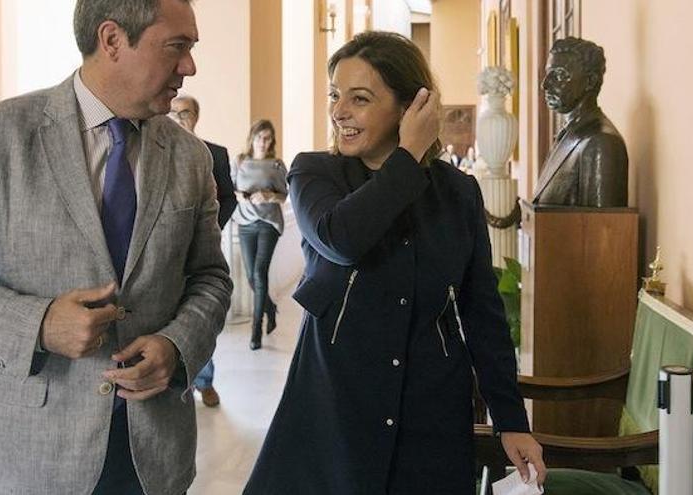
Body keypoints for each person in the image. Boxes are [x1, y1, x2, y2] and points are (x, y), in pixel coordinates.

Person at [0, 0, 232, 493]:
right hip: (20, 456)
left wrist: (178, 346)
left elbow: (210, 277)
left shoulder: (190, 156)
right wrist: (38, 324)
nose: (189, 67)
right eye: (177, 47)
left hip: (150, 457)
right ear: (112, 40)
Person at [244, 31, 545, 494]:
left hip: (431, 411)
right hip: (335, 407)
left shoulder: (457, 193)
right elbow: (343, 239)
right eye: (335, 95)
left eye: (359, 98)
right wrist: (407, 157)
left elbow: (482, 314)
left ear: (411, 108)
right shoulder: (313, 173)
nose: (339, 111)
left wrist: (511, 419)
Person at [169, 94, 237, 407]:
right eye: (174, 112)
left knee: (199, 313)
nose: (179, 118)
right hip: (166, 251)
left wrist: (209, 229)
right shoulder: (157, 150)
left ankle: (204, 380)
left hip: (203, 246)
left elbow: (229, 198)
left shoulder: (215, 153)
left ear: (196, 116)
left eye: (185, 113)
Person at [533, 36, 628, 207]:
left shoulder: (600, 143)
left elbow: (600, 228)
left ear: (590, 81)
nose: (545, 84)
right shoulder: (569, 134)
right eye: (548, 74)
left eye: (560, 75)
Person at [231, 120, 287, 350]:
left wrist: (269, 196)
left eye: (268, 138)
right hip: (244, 222)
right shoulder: (240, 162)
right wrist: (241, 196)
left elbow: (284, 196)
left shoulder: (276, 165)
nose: (263, 142)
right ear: (252, 138)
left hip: (268, 223)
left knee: (259, 272)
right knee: (252, 278)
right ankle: (270, 309)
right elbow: (231, 188)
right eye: (259, 138)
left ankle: (256, 331)